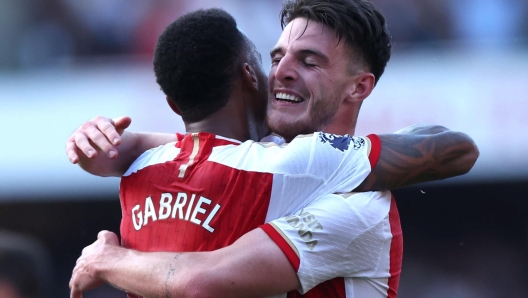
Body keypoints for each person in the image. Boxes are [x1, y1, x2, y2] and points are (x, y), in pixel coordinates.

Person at [68, 3, 478, 298]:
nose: (281, 71)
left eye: (309, 61)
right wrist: (116, 144)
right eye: (277, 57)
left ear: (358, 87)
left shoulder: (357, 204)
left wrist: (107, 260)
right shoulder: (262, 161)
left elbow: (202, 281)